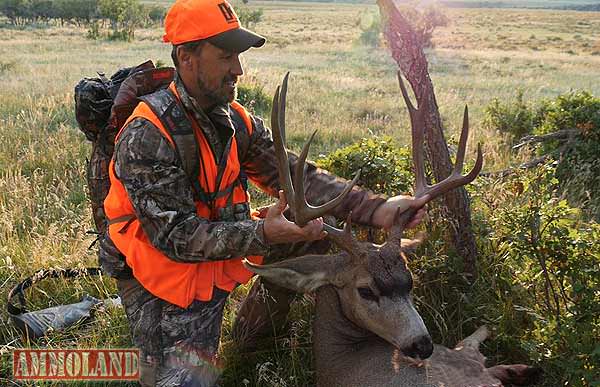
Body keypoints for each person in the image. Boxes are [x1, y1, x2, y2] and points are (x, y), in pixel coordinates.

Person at [98, 0, 428, 385]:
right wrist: (263, 234)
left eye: (238, 56)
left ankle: (252, 340)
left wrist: (376, 209)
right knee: (184, 382)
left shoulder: (234, 119)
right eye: (225, 57)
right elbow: (176, 239)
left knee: (323, 224)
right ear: (186, 57)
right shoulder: (148, 133)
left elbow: (291, 175)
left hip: (222, 249)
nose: (237, 69)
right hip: (163, 277)